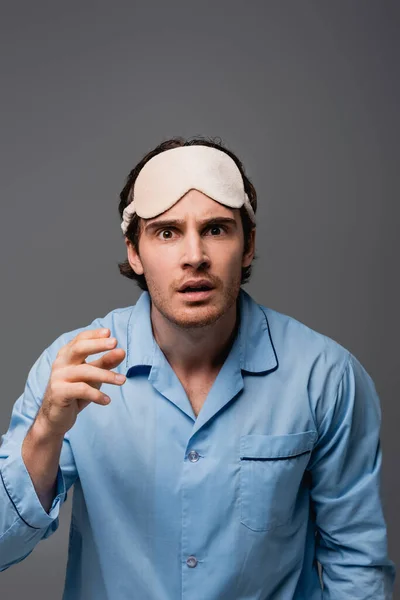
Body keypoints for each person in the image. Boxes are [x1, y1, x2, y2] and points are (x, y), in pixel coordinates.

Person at [0, 136, 396, 599]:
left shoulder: (325, 377)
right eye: (166, 232)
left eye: (216, 229)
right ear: (134, 252)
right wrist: (46, 430)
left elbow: (357, 564)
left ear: (247, 246)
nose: (194, 256)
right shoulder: (72, 368)